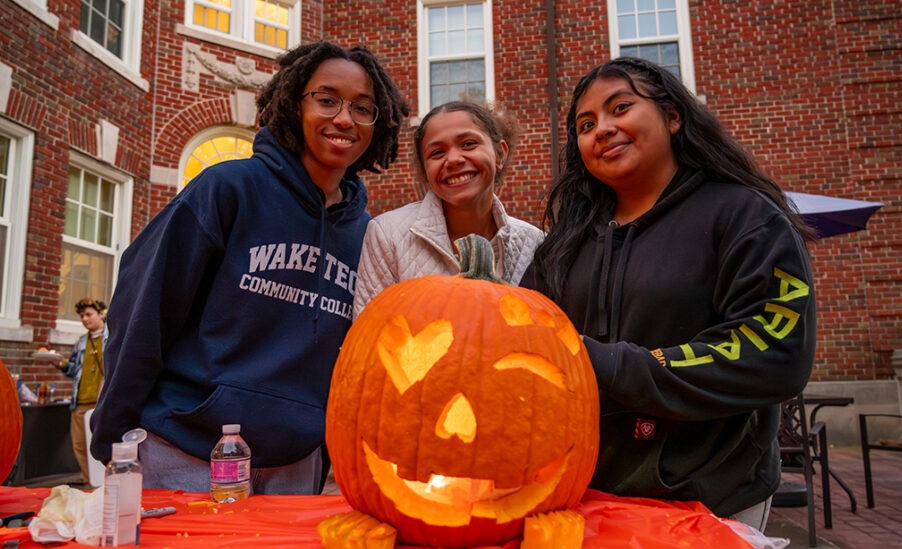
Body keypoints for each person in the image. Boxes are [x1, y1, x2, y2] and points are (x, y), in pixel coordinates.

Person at [90, 41, 410, 495]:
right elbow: (144, 312)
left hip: (294, 468)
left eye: (363, 107)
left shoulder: (368, 234)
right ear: (295, 103)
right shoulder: (228, 189)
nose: (344, 119)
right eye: (327, 100)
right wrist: (113, 438)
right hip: (185, 453)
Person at [521, 57, 818, 531]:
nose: (603, 129)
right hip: (583, 494)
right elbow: (520, 337)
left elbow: (776, 351)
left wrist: (606, 364)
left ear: (673, 116)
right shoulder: (564, 244)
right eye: (586, 124)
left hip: (710, 495)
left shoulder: (744, 216)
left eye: (621, 108)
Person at [353, 100, 543, 316]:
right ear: (424, 171)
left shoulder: (536, 245)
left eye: (469, 144)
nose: (453, 160)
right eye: (437, 153)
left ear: (500, 153)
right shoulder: (387, 235)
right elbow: (370, 332)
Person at [52, 297, 108, 487]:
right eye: (82, 316)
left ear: (101, 314)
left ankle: (104, 486)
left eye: (89, 314)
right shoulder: (81, 342)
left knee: (101, 447)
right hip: (80, 402)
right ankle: (88, 484)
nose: (85, 319)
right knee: (79, 446)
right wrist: (60, 363)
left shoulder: (111, 338)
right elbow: (73, 370)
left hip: (101, 403)